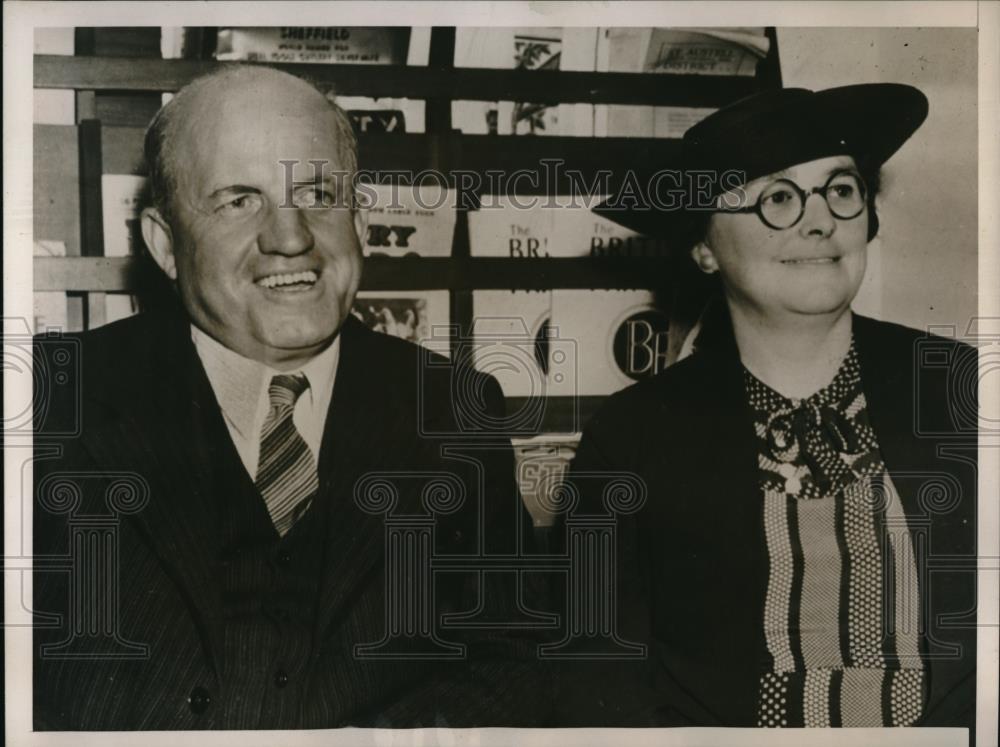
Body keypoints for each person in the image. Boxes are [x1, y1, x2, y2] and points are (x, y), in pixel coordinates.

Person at [32, 65, 544, 730]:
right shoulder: (54, 399)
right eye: (238, 200)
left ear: (357, 217)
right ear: (164, 244)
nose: (291, 236)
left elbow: (509, 663)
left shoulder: (453, 409)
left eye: (318, 193)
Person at [558, 84, 977, 730]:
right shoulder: (629, 441)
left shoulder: (962, 390)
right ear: (702, 246)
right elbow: (598, 674)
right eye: (777, 196)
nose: (820, 219)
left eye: (840, 189)